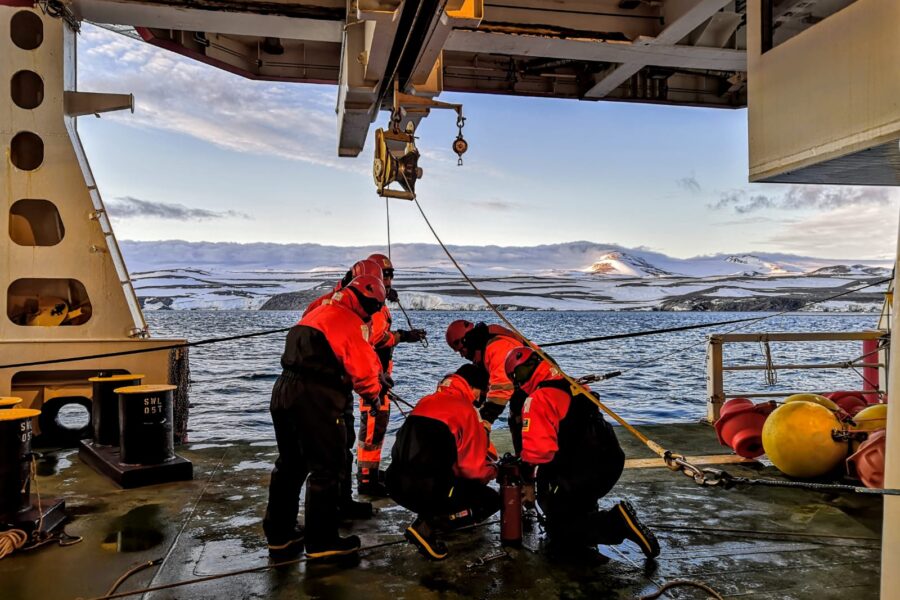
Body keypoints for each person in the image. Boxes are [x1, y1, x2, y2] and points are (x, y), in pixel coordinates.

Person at [263, 275, 389, 561]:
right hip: (315, 397)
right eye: (374, 307)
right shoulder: (349, 320)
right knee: (327, 467)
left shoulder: (320, 311)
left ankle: (280, 535)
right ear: (367, 302)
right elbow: (363, 369)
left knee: (290, 465)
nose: (373, 313)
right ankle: (322, 542)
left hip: (283, 391)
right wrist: (374, 395)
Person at [504, 346, 660, 559]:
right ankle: (588, 516)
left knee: (558, 528)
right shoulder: (575, 385)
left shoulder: (538, 398)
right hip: (609, 463)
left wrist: (526, 478)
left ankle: (617, 522)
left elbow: (539, 452)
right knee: (572, 498)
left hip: (581, 471)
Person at [386, 364, 499, 560]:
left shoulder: (426, 401)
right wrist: (495, 471)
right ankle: (429, 525)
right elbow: (472, 471)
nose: (480, 399)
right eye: (482, 393)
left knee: (440, 473)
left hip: (394, 485)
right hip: (425, 491)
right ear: (474, 388)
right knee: (491, 500)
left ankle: (431, 516)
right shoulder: (466, 410)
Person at [302, 258, 385, 518]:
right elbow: (361, 350)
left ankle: (341, 503)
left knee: (333, 451)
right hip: (327, 391)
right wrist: (374, 394)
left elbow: (362, 348)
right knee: (328, 460)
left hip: (320, 387)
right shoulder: (349, 316)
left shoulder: (323, 306)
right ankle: (324, 530)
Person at [356, 253, 426, 496]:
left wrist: (403, 336)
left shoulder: (379, 305)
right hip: (373, 378)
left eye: (390, 275)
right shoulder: (372, 307)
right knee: (372, 427)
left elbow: (381, 338)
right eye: (384, 275)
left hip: (379, 377)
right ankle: (367, 480)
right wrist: (402, 336)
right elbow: (375, 339)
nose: (388, 280)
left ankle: (370, 474)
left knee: (377, 426)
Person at [445, 320, 526, 451]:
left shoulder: (496, 348)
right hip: (526, 389)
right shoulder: (485, 349)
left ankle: (529, 460)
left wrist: (484, 422)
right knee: (516, 418)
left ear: (467, 341)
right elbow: (490, 383)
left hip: (542, 389)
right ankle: (524, 458)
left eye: (461, 350)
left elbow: (502, 389)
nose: (462, 355)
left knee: (521, 420)